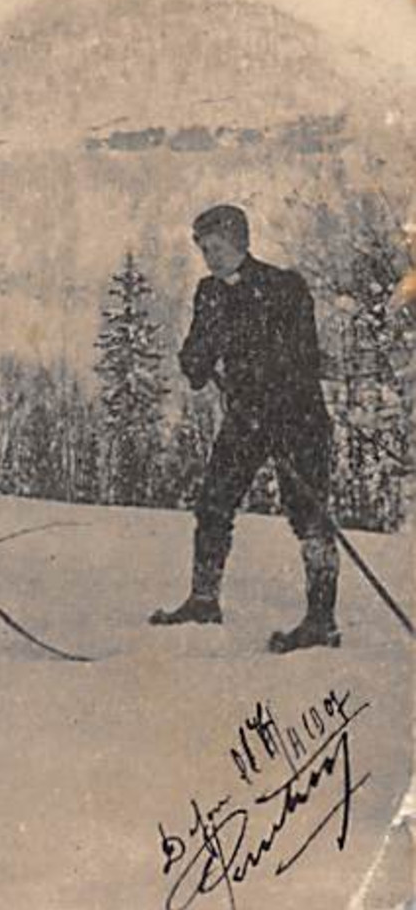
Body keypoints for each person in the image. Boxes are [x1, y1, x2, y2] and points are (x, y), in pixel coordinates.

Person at [149, 204, 340, 652]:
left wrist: (274, 408)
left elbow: (303, 358)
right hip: (245, 418)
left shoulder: (285, 287)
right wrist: (193, 362)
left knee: (309, 515)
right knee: (214, 501)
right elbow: (198, 354)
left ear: (239, 241)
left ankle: (320, 621)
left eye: (215, 248)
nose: (209, 259)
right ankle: (203, 600)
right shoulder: (209, 293)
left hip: (298, 417)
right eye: (203, 250)